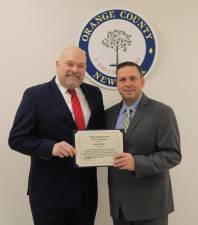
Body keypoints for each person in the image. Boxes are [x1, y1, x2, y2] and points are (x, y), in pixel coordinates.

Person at [8, 46, 104, 225]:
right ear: (58, 65)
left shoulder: (94, 93)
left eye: (80, 66)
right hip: (49, 196)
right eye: (69, 64)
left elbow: (99, 133)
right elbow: (17, 139)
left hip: (86, 196)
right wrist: (50, 148)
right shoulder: (35, 95)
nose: (75, 70)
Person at [105, 61, 181, 225]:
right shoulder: (108, 115)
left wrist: (136, 163)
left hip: (151, 207)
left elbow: (172, 155)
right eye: (122, 80)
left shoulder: (162, 112)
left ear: (142, 81)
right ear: (116, 84)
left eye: (133, 78)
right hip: (119, 207)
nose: (128, 84)